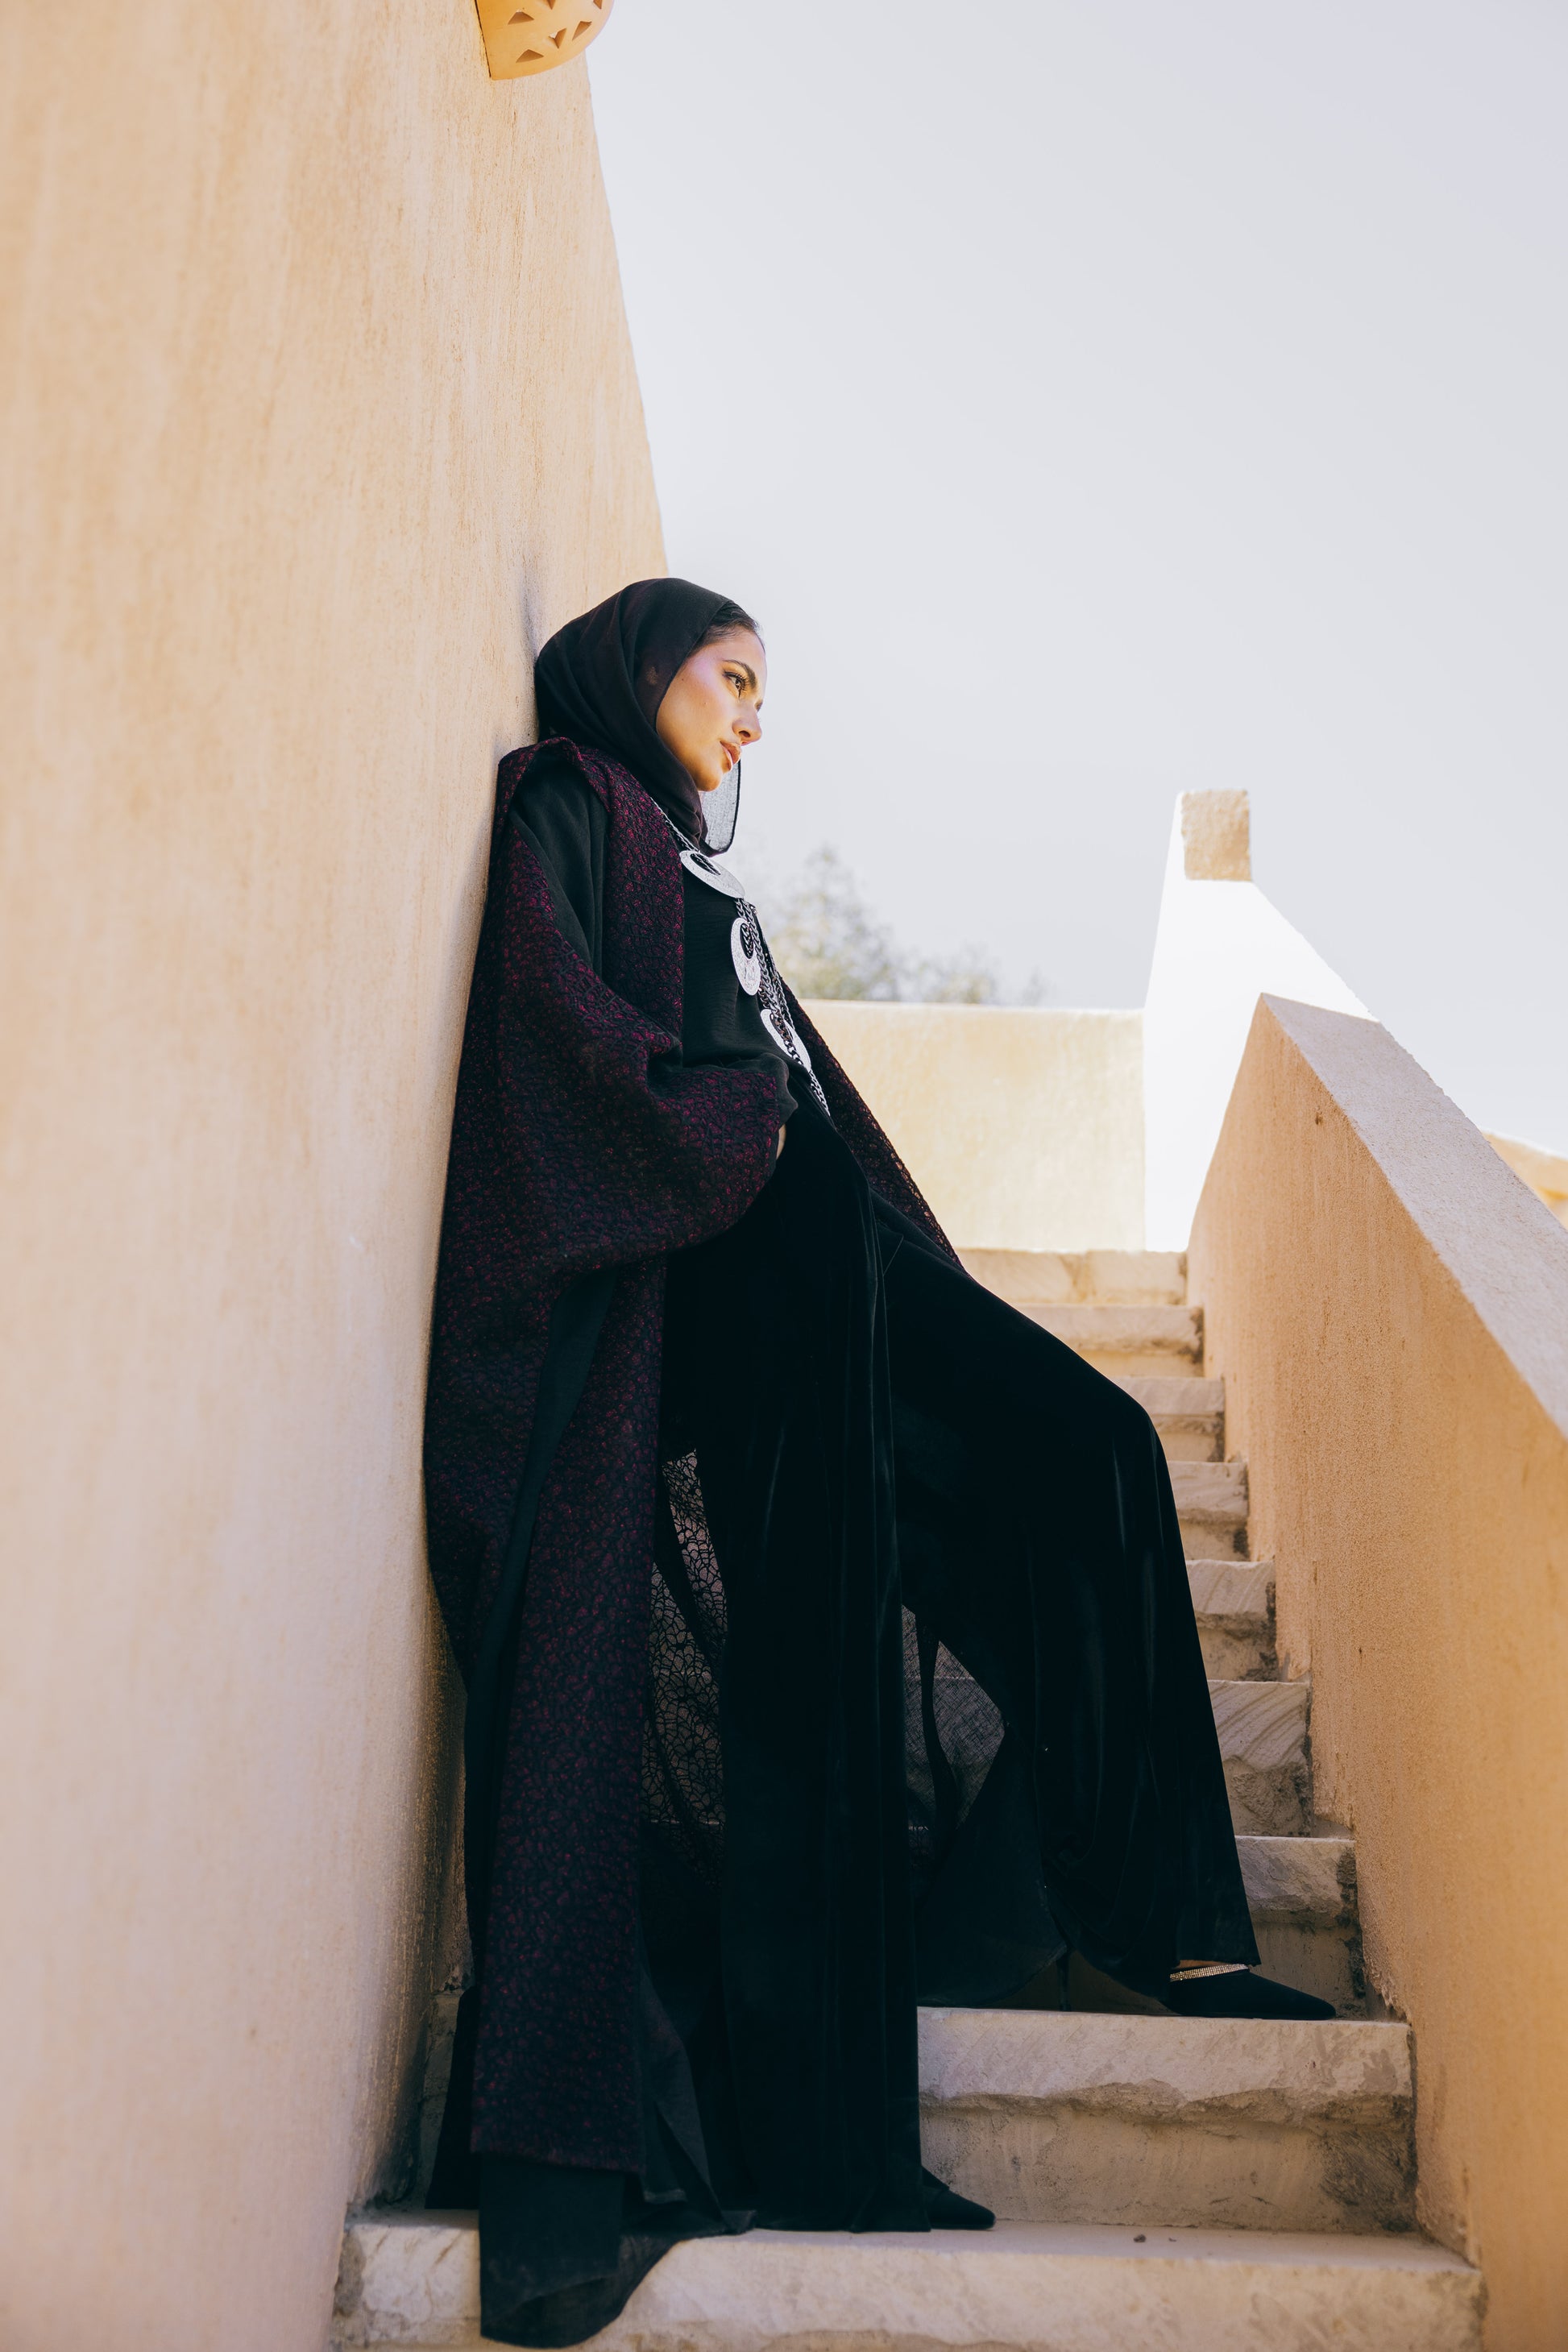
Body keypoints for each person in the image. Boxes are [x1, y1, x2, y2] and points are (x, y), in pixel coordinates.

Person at [421, 578, 1332, 2348]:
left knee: (1095, 1447)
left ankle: (1161, 1920)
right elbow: (555, 1039)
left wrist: (838, 1190)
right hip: (730, 1268)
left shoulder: (691, 864)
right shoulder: (569, 799)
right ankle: (831, 2130)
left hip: (837, 1258)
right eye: (731, 677)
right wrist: (740, 1137)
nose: (755, 716)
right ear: (638, 664)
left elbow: (794, 1075)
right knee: (821, 1643)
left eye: (762, 689)